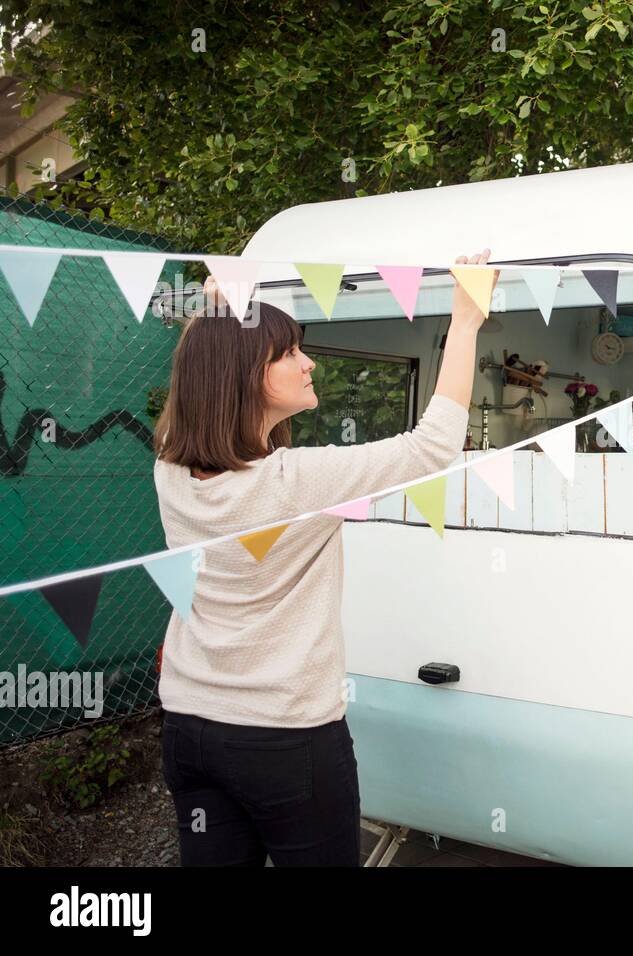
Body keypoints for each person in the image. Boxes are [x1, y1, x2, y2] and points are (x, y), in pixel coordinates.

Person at [152, 249, 494, 865]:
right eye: (288, 353)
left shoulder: (171, 471)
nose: (308, 362)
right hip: (286, 741)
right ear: (247, 374)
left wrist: (211, 317)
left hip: (189, 725)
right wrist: (465, 321)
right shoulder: (298, 482)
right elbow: (435, 444)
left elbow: (202, 382)